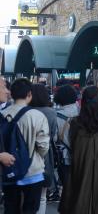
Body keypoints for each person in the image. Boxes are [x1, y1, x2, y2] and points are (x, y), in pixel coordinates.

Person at [58, 86, 98, 214]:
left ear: (83, 102)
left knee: (80, 196)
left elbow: (72, 143)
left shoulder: (75, 123)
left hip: (81, 164)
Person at [1, 78, 50, 214]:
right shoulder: (38, 116)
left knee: (11, 209)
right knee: (30, 210)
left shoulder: (2, 114)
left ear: (11, 93)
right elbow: (43, 146)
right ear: (29, 94)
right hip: (33, 172)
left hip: (9, 170)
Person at [30, 84, 58, 213]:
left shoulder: (25, 111)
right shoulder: (51, 112)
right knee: (42, 196)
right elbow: (53, 135)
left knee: (26, 193)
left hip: (27, 153)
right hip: (45, 153)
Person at [53, 85, 79, 187]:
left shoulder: (56, 115)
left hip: (65, 156)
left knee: (67, 186)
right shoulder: (82, 112)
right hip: (82, 155)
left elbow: (54, 138)